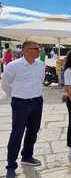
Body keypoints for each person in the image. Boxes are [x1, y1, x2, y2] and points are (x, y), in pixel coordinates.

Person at [1, 41, 45, 178]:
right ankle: (11, 165)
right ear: (26, 50)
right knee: (17, 133)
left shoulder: (41, 65)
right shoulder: (13, 65)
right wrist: (16, 96)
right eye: (36, 49)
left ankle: (27, 156)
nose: (39, 51)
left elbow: (41, 80)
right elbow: (6, 83)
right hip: (20, 102)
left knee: (33, 130)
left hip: (37, 101)